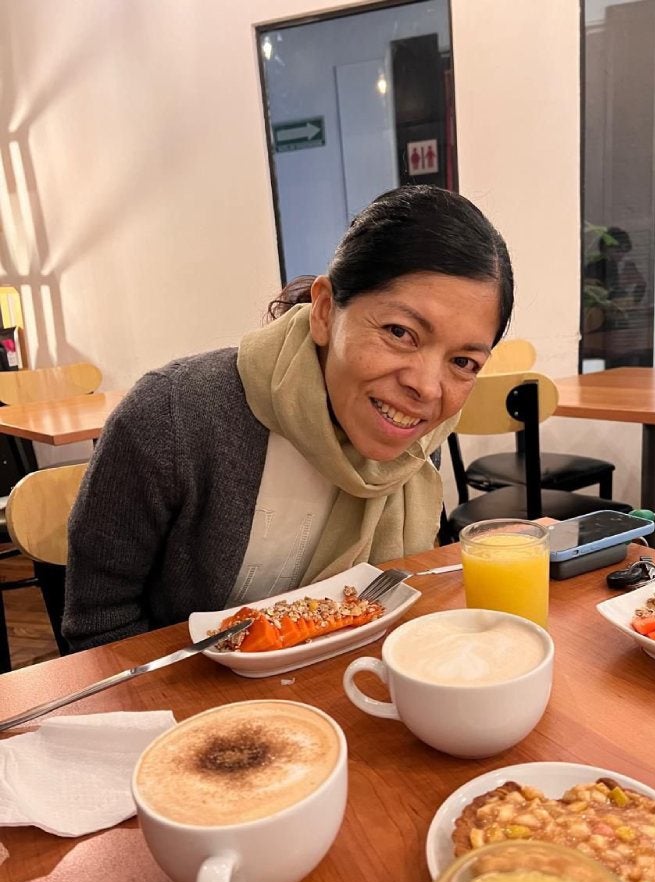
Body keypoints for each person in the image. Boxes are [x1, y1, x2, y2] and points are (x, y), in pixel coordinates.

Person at [62, 185, 514, 650]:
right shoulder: (174, 417)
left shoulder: (419, 441)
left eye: (463, 362)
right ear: (323, 311)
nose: (426, 386)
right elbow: (99, 626)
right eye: (401, 332)